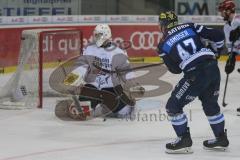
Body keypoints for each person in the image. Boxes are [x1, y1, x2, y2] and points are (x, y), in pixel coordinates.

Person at [157, 11, 229, 153]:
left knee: (173, 107)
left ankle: (184, 140)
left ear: (163, 25)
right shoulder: (190, 26)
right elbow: (219, 36)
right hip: (213, 68)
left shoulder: (162, 45)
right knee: (210, 104)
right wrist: (218, 50)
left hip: (195, 74)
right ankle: (221, 138)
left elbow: (175, 70)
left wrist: (175, 58)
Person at [65, 24, 136, 120]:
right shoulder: (89, 49)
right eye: (95, 35)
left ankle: (110, 107)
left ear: (105, 35)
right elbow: (82, 65)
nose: (95, 37)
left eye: (98, 35)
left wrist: (133, 85)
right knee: (79, 113)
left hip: (111, 88)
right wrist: (72, 79)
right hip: (92, 87)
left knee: (125, 113)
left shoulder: (118, 52)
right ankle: (96, 106)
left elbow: (126, 71)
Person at [218, 0, 240, 115]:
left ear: (228, 11)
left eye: (222, 11)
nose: (221, 14)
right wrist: (231, 57)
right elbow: (232, 46)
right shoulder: (226, 27)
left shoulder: (239, 20)